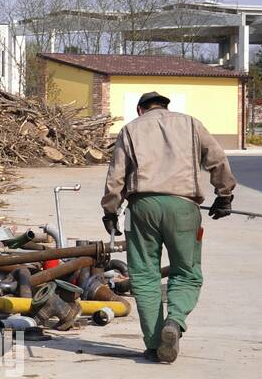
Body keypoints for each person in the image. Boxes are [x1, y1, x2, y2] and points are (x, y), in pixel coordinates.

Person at [101, 91, 237, 363]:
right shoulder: (191, 124)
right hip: (183, 207)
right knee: (186, 272)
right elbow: (217, 159)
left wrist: (110, 211)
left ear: (140, 110)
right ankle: (174, 321)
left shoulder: (130, 130)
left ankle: (153, 344)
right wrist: (224, 195)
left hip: (143, 209)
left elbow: (116, 175)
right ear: (165, 107)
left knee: (144, 276)